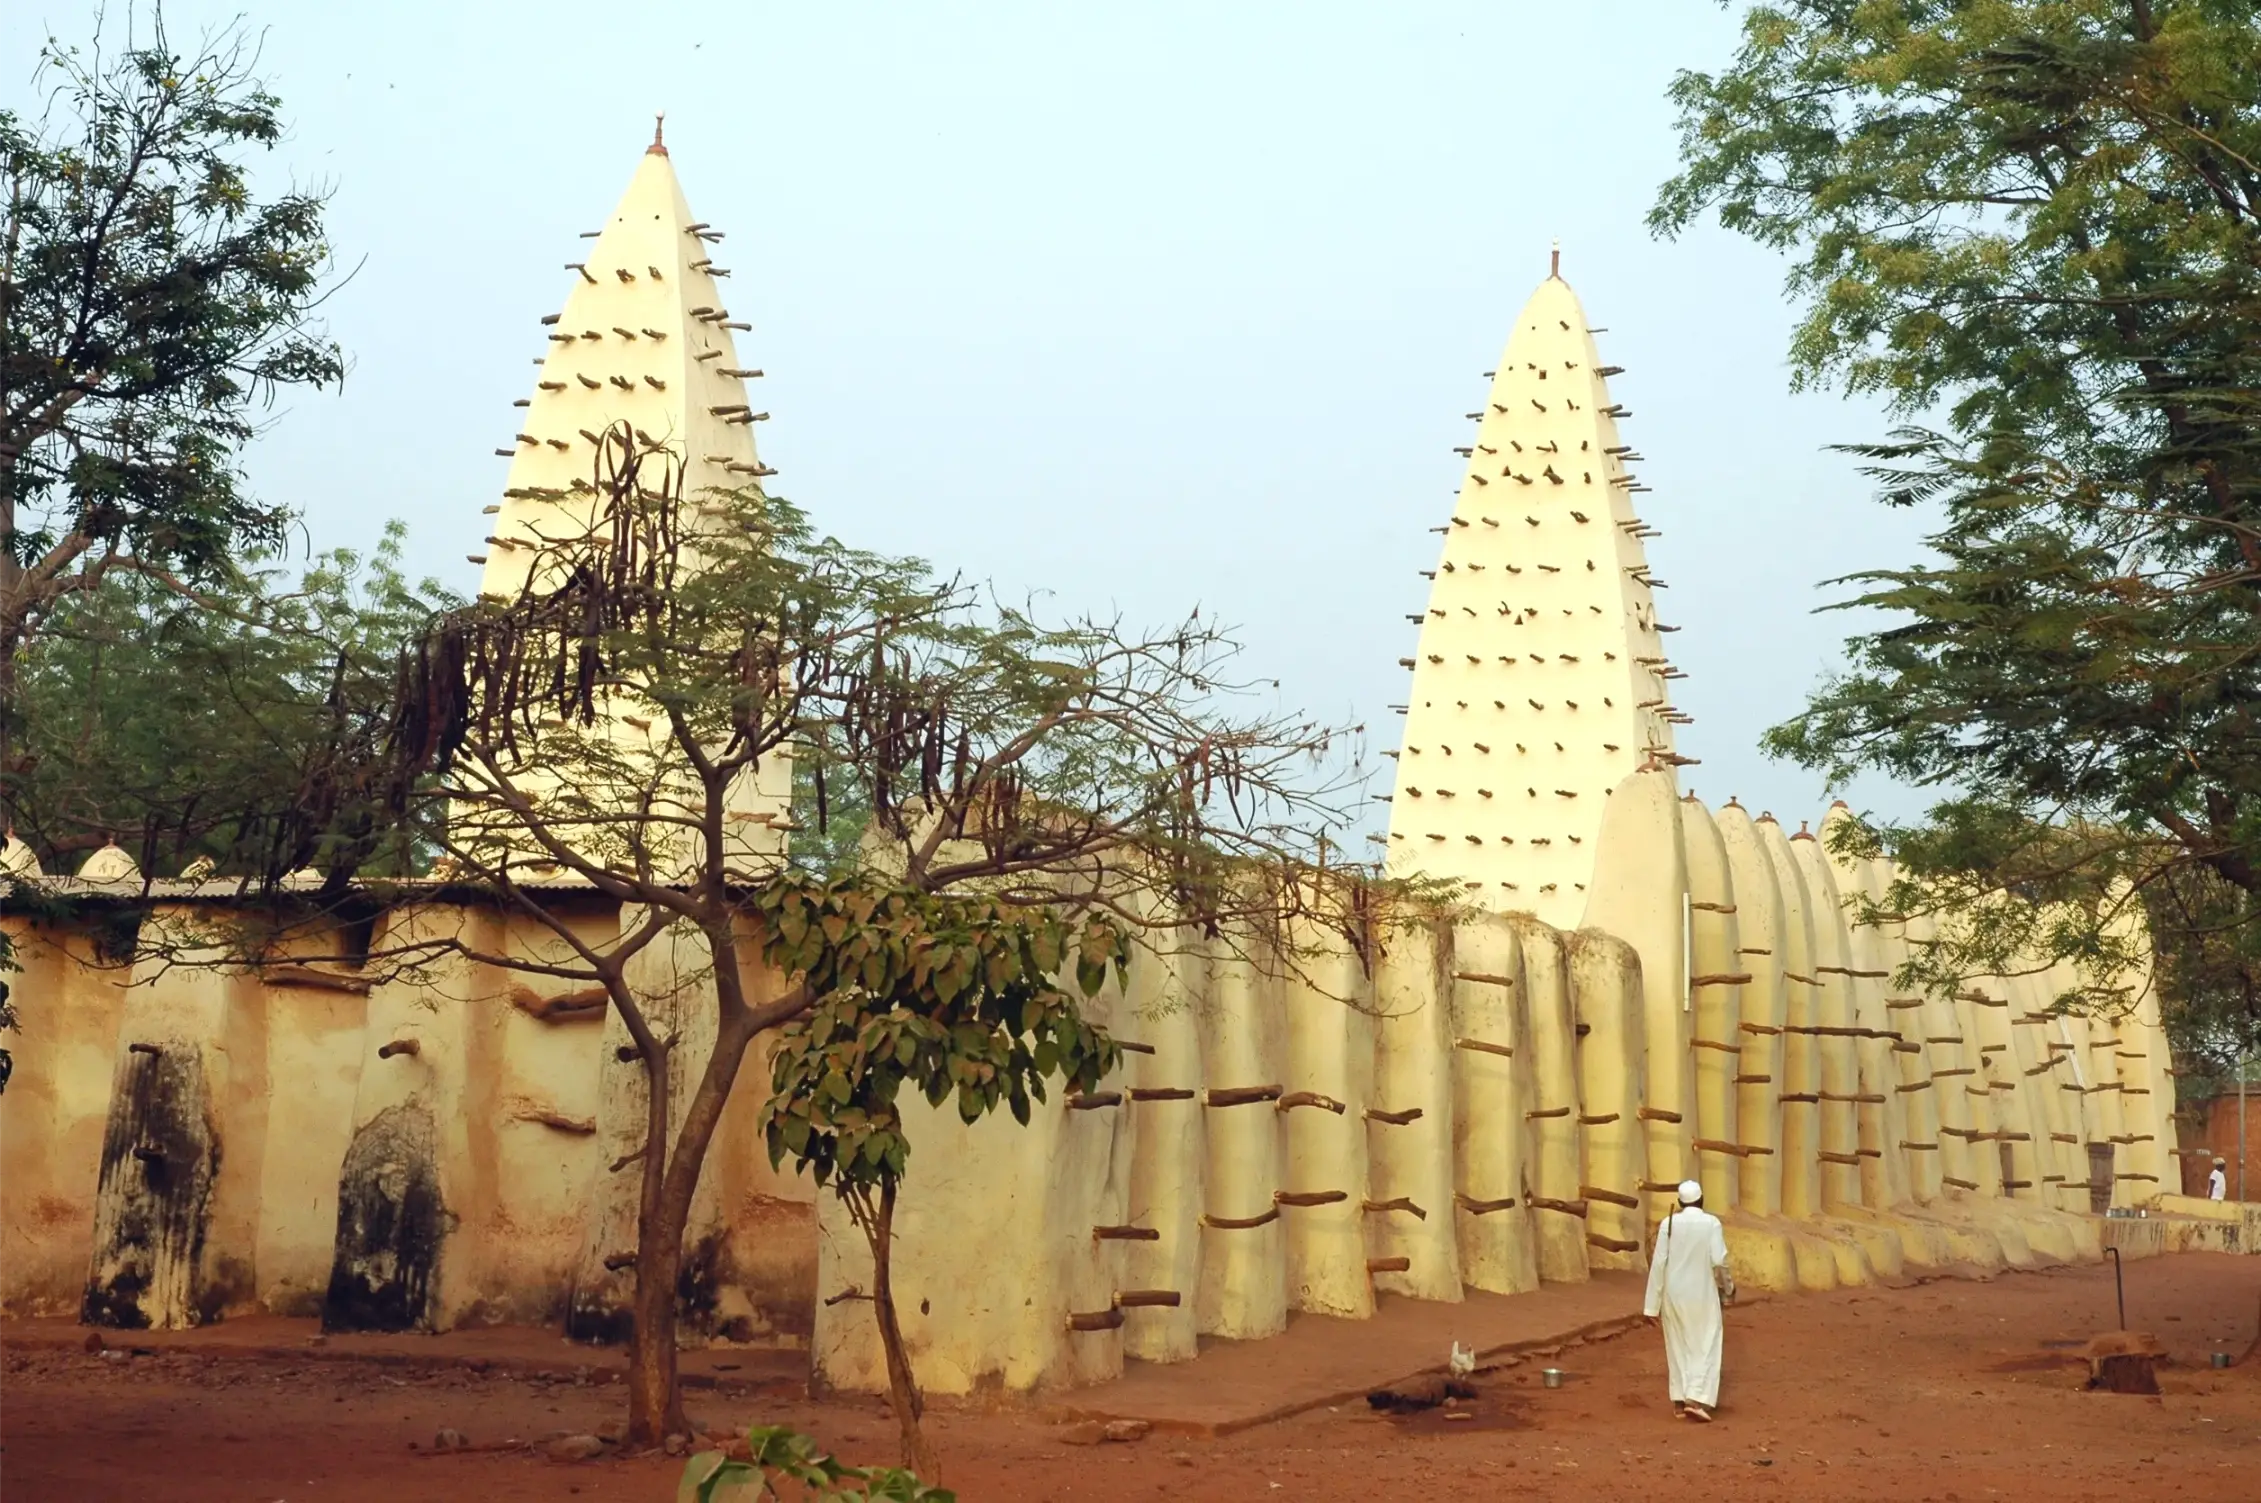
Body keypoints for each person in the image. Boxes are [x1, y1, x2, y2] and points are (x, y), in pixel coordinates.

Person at [1642, 1179, 1731, 1422]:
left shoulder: (1668, 1223)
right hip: (1701, 1293)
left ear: (1680, 1202)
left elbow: (1659, 1263)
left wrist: (1651, 1306)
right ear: (1701, 1200)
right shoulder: (1711, 1223)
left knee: (1677, 1343)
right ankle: (1695, 1399)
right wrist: (1728, 1287)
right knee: (1705, 1342)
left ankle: (1679, 1401)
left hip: (1673, 1293)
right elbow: (1719, 1260)